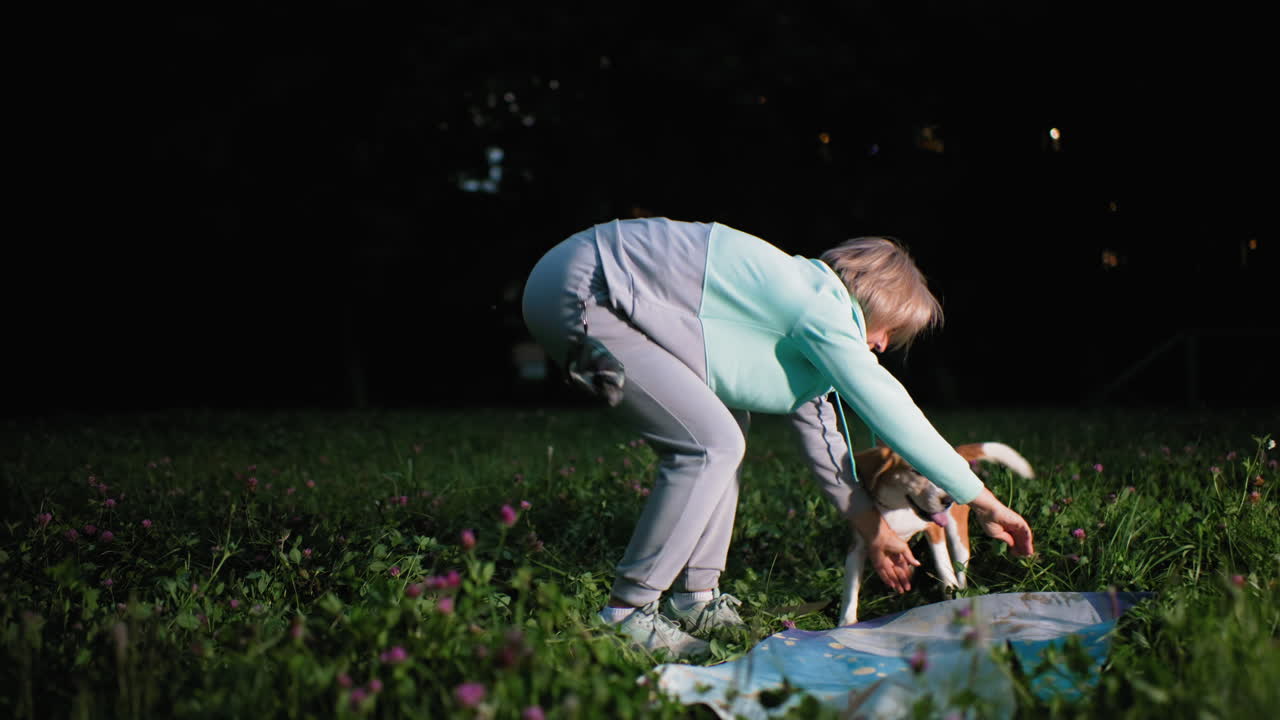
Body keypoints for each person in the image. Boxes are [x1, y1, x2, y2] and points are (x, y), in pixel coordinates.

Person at [521, 217, 1035, 659]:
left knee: (725, 431)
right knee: (711, 443)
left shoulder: (799, 326)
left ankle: (696, 597)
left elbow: (826, 440)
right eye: (888, 333)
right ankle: (627, 614)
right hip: (588, 288)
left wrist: (876, 533)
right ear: (873, 300)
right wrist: (984, 501)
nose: (880, 348)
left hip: (596, 289)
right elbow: (889, 408)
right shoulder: (816, 303)